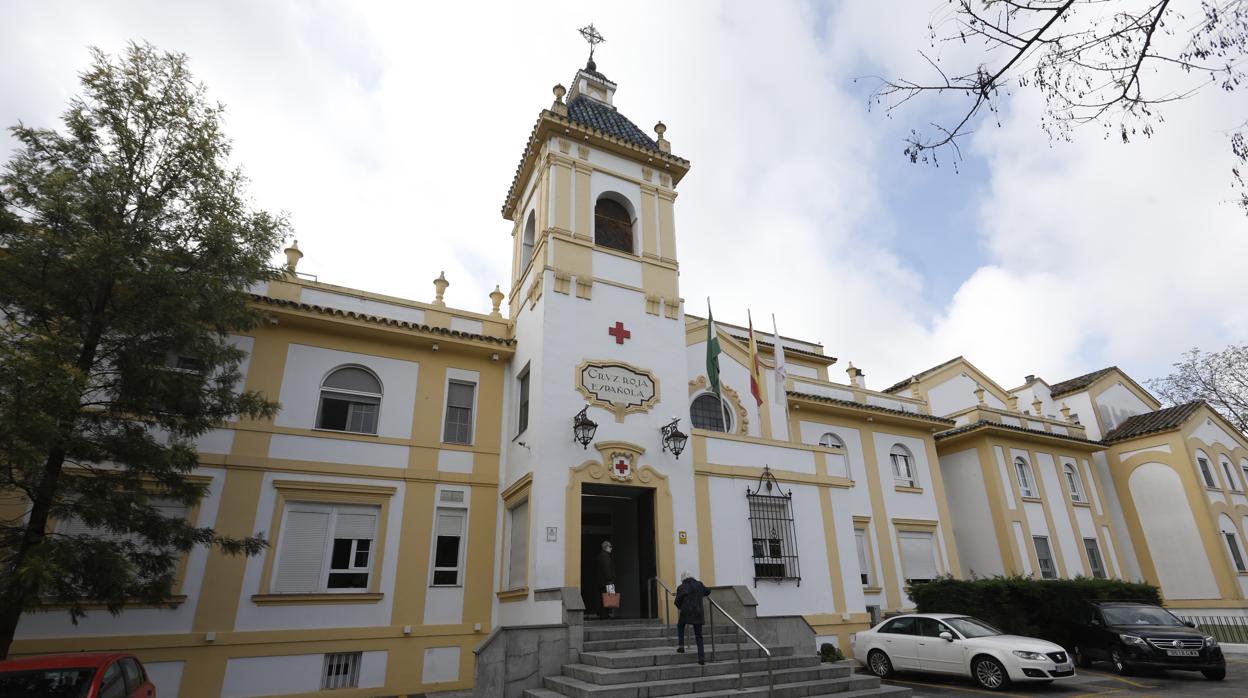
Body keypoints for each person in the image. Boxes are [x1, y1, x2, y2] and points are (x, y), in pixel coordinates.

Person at [674, 571, 711, 664]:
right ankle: (701, 658)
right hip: (698, 612)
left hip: (686, 611)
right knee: (699, 636)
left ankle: (681, 646)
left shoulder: (681, 587)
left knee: (680, 626)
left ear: (683, 579)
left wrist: (681, 607)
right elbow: (708, 591)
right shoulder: (699, 584)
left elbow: (677, 601)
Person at [596, 540, 615, 619]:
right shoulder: (606, 556)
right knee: (608, 598)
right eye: (610, 547)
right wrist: (610, 578)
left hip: (600, 581)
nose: (611, 548)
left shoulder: (599, 556)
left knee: (602, 598)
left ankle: (602, 614)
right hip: (606, 582)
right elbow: (606, 569)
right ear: (606, 547)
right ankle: (605, 615)